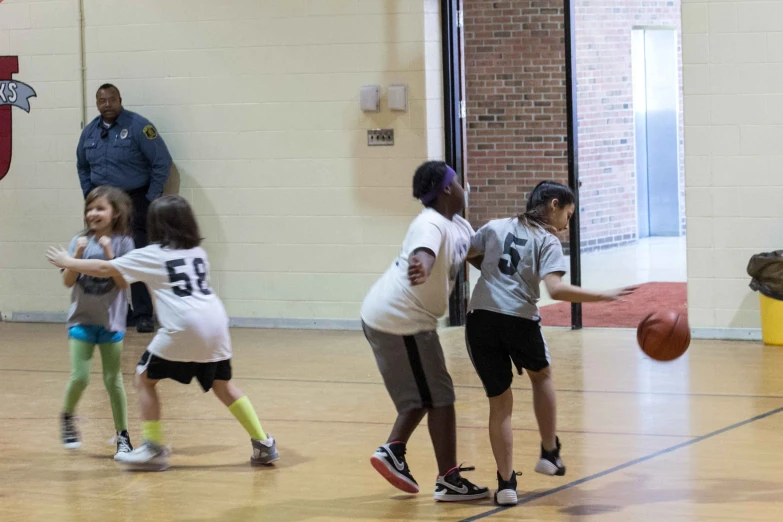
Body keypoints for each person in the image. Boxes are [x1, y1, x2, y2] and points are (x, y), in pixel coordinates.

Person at [47, 196, 278, 471]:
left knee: (144, 379)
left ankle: (153, 448)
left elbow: (105, 269)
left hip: (184, 325)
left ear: (156, 224)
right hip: (216, 322)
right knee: (223, 385)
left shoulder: (152, 254)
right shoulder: (198, 253)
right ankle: (263, 443)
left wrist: (67, 261)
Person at [465, 180, 637, 506]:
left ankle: (505, 486)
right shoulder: (547, 239)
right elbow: (556, 291)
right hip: (518, 318)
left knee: (499, 403)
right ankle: (548, 451)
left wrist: (494, 275)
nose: (567, 225)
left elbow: (470, 253)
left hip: (480, 319)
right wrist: (603, 295)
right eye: (568, 216)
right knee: (541, 376)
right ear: (554, 205)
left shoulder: (495, 226)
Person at [360, 160, 489, 502]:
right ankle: (446, 478)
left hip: (401, 319)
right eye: (458, 181)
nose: (464, 187)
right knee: (439, 397)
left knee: (426, 395)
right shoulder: (429, 224)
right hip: (399, 320)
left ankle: (395, 450)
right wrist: (423, 265)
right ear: (447, 188)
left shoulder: (458, 223)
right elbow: (425, 251)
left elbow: (479, 257)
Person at [76, 83, 173, 333]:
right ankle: (117, 311)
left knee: (135, 255)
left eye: (111, 100)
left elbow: (162, 161)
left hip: (134, 199)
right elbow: (82, 166)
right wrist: (90, 194)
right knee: (104, 256)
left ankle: (142, 314)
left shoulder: (139, 126)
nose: (106, 105)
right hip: (103, 202)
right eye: (101, 101)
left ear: (120, 99)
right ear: (96, 104)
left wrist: (150, 198)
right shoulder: (89, 133)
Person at [60, 186, 135, 456]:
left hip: (111, 322)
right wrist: (76, 256)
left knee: (113, 380)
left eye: (100, 208)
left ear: (115, 213)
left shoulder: (124, 243)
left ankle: (123, 436)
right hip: (81, 320)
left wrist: (110, 256)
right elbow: (68, 281)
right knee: (79, 377)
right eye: (90, 208)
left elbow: (124, 282)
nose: (93, 213)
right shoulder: (78, 241)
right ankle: (67, 417)